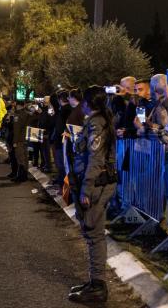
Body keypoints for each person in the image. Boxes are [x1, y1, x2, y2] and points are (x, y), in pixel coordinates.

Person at [68, 86, 117, 303]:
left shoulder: (96, 123)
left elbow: (95, 160)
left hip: (96, 186)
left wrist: (86, 190)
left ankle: (98, 287)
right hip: (95, 184)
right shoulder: (97, 121)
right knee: (91, 233)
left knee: (94, 234)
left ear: (88, 103)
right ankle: (94, 281)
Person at [51, 90, 71, 185]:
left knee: (61, 164)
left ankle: (63, 184)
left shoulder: (65, 110)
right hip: (61, 140)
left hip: (62, 141)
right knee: (61, 164)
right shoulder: (64, 110)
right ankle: (61, 181)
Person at [11, 100, 30, 183]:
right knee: (25, 157)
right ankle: (25, 175)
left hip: (19, 140)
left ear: (17, 105)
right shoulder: (27, 113)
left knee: (20, 158)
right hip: (25, 139)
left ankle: (21, 176)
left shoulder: (18, 115)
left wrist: (15, 141)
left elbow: (17, 129)